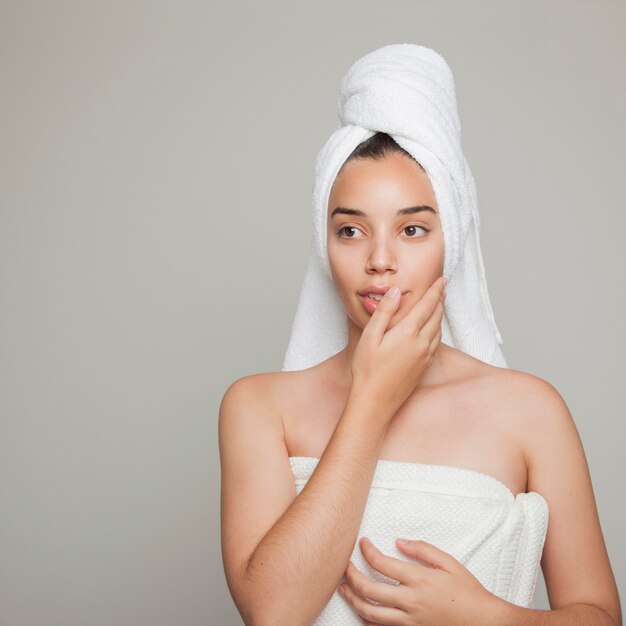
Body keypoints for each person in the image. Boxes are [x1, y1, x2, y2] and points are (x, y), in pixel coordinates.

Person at [219, 45, 621, 626]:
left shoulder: (530, 410)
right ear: (324, 245)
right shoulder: (259, 408)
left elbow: (602, 617)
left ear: (450, 239)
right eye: (351, 230)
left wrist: (487, 617)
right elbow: (273, 613)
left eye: (412, 229)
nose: (380, 260)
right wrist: (371, 402)